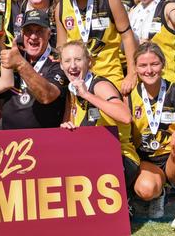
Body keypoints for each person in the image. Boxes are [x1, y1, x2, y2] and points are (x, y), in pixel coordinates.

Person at [127, 42, 175, 230]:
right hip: (147, 161)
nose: (149, 70)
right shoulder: (129, 96)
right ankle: (160, 192)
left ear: (163, 64)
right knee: (146, 189)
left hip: (173, 159)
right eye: (143, 65)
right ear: (135, 68)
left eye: (154, 64)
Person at [59, 41, 140, 201]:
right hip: (93, 155)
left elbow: (125, 116)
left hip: (121, 157)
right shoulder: (72, 89)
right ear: (61, 65)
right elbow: (71, 124)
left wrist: (88, 95)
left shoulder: (99, 85)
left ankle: (126, 201)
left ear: (89, 62)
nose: (73, 66)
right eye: (67, 61)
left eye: (78, 60)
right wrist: (67, 127)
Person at [55, 0, 138, 94]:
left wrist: (131, 74)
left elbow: (128, 37)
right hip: (78, 80)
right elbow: (61, 47)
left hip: (110, 77)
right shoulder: (61, 7)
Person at [0, 10, 68, 129]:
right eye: (28, 31)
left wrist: (20, 64)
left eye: (39, 31)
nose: (33, 36)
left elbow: (47, 95)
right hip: (8, 141)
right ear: (22, 33)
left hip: (42, 140)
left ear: (49, 33)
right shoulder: (15, 53)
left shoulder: (59, 61)